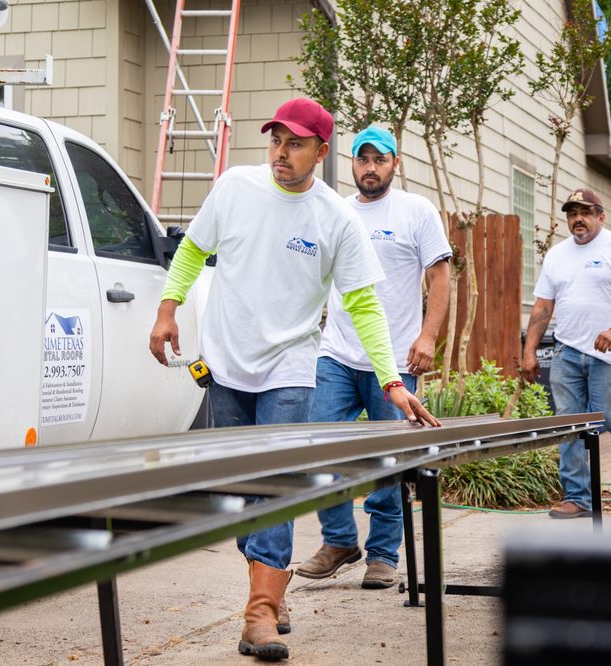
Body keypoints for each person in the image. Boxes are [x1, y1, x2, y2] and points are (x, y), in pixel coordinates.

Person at [148, 98, 440, 661]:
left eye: (296, 144)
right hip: (227, 363)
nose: (281, 153)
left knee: (275, 485)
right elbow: (192, 249)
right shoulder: (235, 188)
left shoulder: (336, 218)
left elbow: (363, 304)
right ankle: (271, 586)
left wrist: (391, 380)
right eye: (276, 141)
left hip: (290, 369)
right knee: (240, 492)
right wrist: (168, 309)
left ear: (321, 151)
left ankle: (258, 614)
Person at [294, 126, 451, 589]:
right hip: (336, 353)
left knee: (390, 460)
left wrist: (428, 337)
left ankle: (383, 555)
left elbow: (440, 279)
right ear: (353, 163)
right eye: (362, 159)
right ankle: (340, 539)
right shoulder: (337, 210)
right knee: (320, 445)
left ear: (394, 164)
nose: (369, 167)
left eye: (379, 159)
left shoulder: (416, 211)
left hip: (396, 359)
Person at [521, 188, 611, 519]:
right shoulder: (556, 255)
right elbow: (543, 306)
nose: (577, 219)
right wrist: (529, 351)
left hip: (608, 355)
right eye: (572, 213)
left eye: (585, 212)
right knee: (568, 423)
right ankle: (577, 497)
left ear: (600, 215)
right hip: (567, 350)